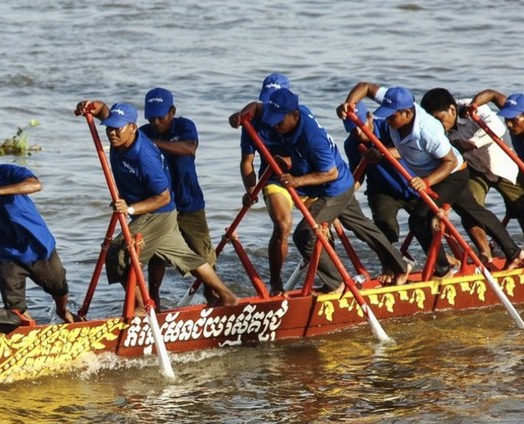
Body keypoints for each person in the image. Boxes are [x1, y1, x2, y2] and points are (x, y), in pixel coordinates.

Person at [338, 83, 524, 277]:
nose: (387, 119)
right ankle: (514, 252)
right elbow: (366, 87)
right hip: (439, 174)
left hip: (451, 175)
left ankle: (443, 267)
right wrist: (349, 103)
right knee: (475, 212)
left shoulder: (427, 131)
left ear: (407, 114)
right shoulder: (398, 105)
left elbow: (450, 162)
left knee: (418, 221)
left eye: (392, 115)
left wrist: (426, 182)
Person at [75, 100, 238, 311]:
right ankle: (228, 296)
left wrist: (130, 209)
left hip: (157, 213)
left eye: (117, 129)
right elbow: (105, 112)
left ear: (133, 128)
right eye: (109, 128)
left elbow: (163, 197)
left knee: (120, 253)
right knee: (185, 256)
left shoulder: (145, 158)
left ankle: (141, 308)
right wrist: (91, 106)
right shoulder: (120, 136)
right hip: (151, 213)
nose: (112, 133)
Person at [252, 88, 412, 293]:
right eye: (273, 120)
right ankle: (401, 265)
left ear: (294, 114)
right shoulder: (298, 111)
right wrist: (245, 113)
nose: (275, 125)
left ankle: (335, 283)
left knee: (304, 235)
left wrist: (296, 181)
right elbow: (260, 107)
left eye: (279, 121)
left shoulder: (312, 139)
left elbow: (330, 173)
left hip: (333, 187)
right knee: (363, 228)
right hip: (335, 183)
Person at [0, 137, 79, 323]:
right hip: (10, 251)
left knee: (59, 287)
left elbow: (36, 185)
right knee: (14, 306)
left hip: (37, 243)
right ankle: (30, 330)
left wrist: (0, 190)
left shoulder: (9, 172)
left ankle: (63, 312)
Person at [421, 87, 524, 265]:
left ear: (452, 110)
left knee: (523, 208)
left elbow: (497, 126)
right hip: (475, 170)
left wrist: (472, 143)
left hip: (503, 167)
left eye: (440, 119)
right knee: (470, 208)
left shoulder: (472, 110)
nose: (438, 125)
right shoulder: (436, 130)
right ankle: (485, 255)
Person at [139, 87, 217, 306]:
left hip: (189, 202)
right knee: (156, 255)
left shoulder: (185, 126)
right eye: (151, 117)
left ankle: (214, 297)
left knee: (202, 254)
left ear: (172, 111)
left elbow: (189, 148)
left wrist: (152, 144)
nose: (155, 121)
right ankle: (153, 299)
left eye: (160, 116)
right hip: (161, 205)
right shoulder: (143, 133)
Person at [228, 73, 294, 295]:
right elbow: (247, 162)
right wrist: (250, 189)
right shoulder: (253, 123)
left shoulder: (298, 117)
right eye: (267, 102)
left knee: (324, 227)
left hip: (306, 177)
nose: (270, 108)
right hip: (274, 179)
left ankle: (329, 278)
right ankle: (276, 284)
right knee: (283, 225)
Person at [341, 101, 419, 245]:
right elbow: (358, 177)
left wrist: (382, 153)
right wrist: (342, 193)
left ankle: (444, 263)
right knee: (386, 231)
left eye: (360, 126)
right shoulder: (351, 144)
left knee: (424, 227)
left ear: (370, 117)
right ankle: (393, 264)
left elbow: (410, 149)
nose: (358, 133)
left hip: (412, 185)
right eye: (352, 130)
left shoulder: (390, 127)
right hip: (382, 191)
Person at [470, 90, 524, 161]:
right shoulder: (513, 109)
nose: (509, 124)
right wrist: (472, 106)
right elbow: (493, 95)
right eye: (507, 117)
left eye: (513, 119)